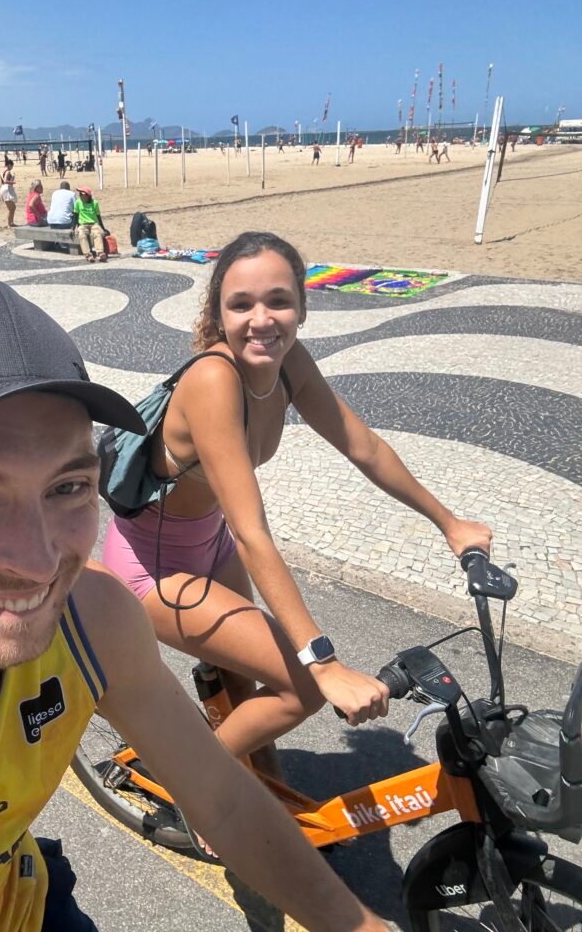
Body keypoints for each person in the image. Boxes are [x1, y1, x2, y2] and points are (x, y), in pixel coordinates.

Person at [0, 277, 389, 932]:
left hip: (24, 903)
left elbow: (223, 801)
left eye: (67, 486)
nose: (37, 561)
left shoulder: (91, 618)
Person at [102, 232, 492, 774]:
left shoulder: (288, 362)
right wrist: (324, 661)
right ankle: (184, 781)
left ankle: (255, 791)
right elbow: (251, 530)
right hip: (151, 570)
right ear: (219, 312)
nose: (262, 319)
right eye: (241, 305)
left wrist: (450, 524)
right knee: (303, 688)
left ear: (303, 308)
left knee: (242, 682)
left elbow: (365, 447)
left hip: (208, 545)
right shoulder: (214, 380)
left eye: (278, 301)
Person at [73, 186, 108, 263]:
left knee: (98, 233)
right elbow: (75, 216)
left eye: (82, 194)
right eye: (80, 194)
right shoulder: (78, 202)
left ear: (87, 195)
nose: (80, 196)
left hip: (93, 223)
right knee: (81, 234)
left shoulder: (95, 203)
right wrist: (72, 228)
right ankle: (88, 254)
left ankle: (100, 252)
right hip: (82, 224)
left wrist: (103, 228)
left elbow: (98, 216)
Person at [0, 158, 17, 227]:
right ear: (9, 165)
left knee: (12, 207)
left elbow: (2, 182)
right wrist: (13, 182)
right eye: (12, 166)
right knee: (12, 208)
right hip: (7, 189)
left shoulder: (2, 172)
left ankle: (11, 222)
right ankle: (10, 223)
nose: (12, 167)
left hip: (3, 189)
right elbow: (5, 181)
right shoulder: (8, 172)